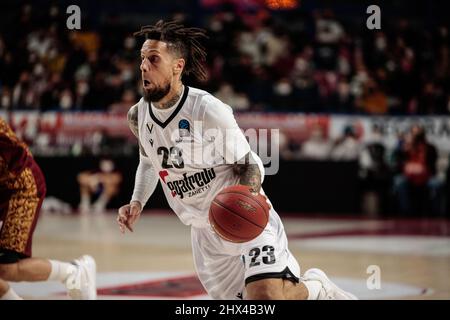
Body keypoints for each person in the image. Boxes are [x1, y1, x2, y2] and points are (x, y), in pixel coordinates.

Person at [117, 20, 357, 300]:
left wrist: (243, 202)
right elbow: (148, 161)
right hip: (205, 233)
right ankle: (312, 288)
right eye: (142, 59)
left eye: (154, 59)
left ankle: (317, 288)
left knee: (265, 298)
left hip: (243, 216)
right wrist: (137, 201)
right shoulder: (138, 116)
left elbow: (250, 165)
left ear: (177, 66)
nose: (144, 66)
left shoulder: (207, 110)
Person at [0, 118, 96, 300]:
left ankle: (73, 272)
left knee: (7, 268)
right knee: (5, 268)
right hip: (6, 187)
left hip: (21, 187)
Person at [392, 125, 445, 216]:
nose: (417, 138)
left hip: (426, 177)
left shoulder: (430, 148)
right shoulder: (405, 147)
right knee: (399, 182)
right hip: (409, 176)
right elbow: (398, 163)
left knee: (437, 184)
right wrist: (403, 147)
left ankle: (436, 214)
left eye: (419, 135)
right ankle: (406, 213)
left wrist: (422, 169)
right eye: (415, 135)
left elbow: (432, 164)